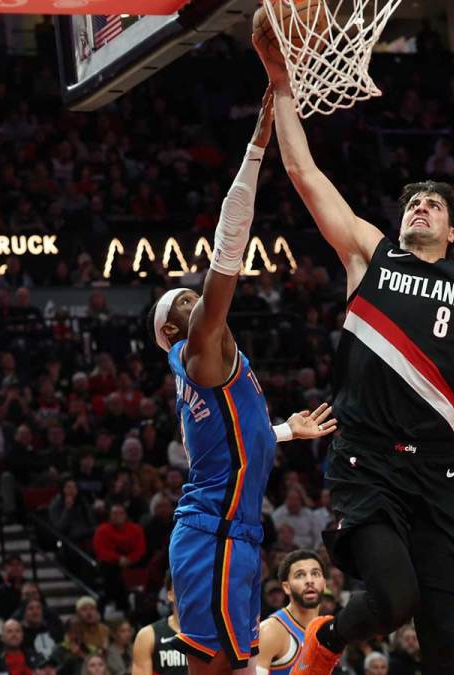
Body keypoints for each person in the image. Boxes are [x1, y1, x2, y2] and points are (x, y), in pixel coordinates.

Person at [255, 34, 454, 675]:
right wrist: (279, 79)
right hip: (366, 460)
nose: (420, 207)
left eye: (433, 205)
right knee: (393, 598)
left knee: (440, 636)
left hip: (439, 470)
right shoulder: (368, 255)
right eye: (413, 203)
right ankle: (325, 639)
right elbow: (305, 174)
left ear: (453, 231)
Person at [146, 90, 336, 675]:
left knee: (236, 665)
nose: (194, 293)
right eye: (186, 297)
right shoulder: (199, 347)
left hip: (237, 534)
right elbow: (229, 248)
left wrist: (280, 431)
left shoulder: (212, 363)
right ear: (177, 325)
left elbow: (227, 445)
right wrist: (256, 147)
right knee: (214, 668)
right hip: (213, 535)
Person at [256, 550, 327, 674]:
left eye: (315, 574)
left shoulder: (326, 629)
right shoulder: (271, 631)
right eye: (300, 575)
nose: (309, 580)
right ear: (286, 587)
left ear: (324, 584)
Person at [130, 575, 188, 675]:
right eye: (180, 585)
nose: (187, 590)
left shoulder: (213, 634)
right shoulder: (148, 635)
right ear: (170, 595)